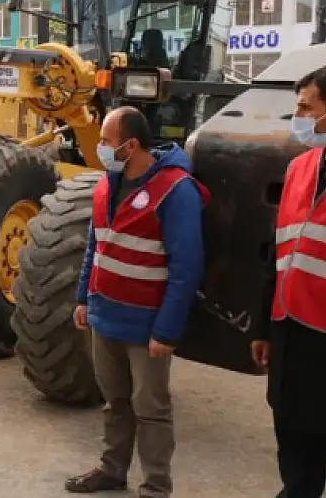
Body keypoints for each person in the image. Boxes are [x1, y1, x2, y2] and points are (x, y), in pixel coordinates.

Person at [65, 106, 207, 497]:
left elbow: (187, 267)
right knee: (115, 402)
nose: (101, 148)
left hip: (147, 328)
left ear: (130, 145)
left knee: (151, 410)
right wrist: (83, 298)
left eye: (108, 141)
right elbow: (95, 246)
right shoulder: (107, 184)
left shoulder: (176, 190)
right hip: (105, 315)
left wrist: (167, 330)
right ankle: (112, 469)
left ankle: (156, 486)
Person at [253, 63, 326, 498]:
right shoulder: (299, 168)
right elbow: (277, 254)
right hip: (292, 345)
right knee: (297, 470)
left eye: (306, 108)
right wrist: (263, 327)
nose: (299, 118)